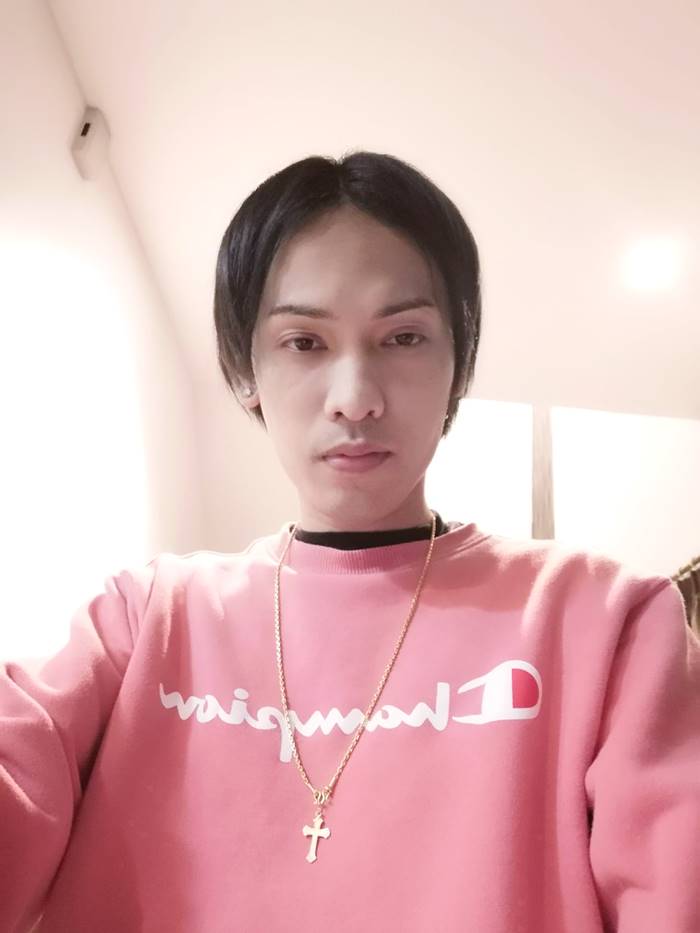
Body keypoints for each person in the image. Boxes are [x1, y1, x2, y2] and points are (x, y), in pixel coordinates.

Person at [2, 151, 699, 933]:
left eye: (403, 337)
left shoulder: (607, 621)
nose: (356, 398)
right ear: (246, 369)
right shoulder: (143, 620)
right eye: (304, 342)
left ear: (458, 364)